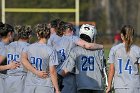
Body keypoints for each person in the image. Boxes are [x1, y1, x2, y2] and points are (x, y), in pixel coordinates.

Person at [54, 23, 104, 93]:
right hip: (97, 85)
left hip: (77, 82)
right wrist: (102, 46)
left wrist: (59, 76)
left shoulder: (57, 42)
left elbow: (68, 67)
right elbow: (103, 69)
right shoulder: (98, 50)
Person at [22, 23, 60, 93]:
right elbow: (52, 72)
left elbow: (23, 59)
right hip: (45, 85)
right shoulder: (51, 50)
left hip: (30, 84)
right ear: (49, 35)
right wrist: (57, 89)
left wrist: (35, 71)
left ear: (37, 34)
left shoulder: (28, 47)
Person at [106, 25, 140, 93]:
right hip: (134, 85)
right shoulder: (137, 50)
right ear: (132, 36)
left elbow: (111, 69)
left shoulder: (114, 49)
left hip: (120, 86)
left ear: (122, 36)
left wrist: (109, 86)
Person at [2, 25, 32, 93]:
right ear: (29, 36)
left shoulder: (8, 46)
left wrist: (8, 66)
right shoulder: (30, 48)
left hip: (8, 80)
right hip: (22, 80)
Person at [0, 23, 20, 93]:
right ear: (9, 34)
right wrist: (9, 66)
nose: (14, 36)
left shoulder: (6, 45)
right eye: (13, 34)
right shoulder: (3, 47)